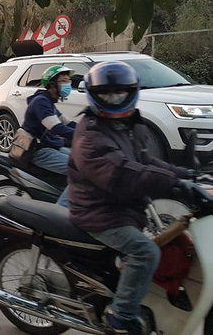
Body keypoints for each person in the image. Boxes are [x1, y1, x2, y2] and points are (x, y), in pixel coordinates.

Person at [68, 61, 192, 334]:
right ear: (94, 94)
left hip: (124, 207)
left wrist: (186, 175)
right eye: (107, 94)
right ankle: (120, 315)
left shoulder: (129, 124)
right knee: (146, 251)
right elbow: (123, 176)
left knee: (177, 236)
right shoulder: (90, 133)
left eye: (120, 93)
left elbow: (145, 162)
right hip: (99, 212)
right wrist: (174, 184)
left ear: (132, 92)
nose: (115, 99)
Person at [21, 65, 76, 206]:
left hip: (48, 145)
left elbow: (68, 123)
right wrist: (83, 136)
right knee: (79, 170)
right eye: (63, 81)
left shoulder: (49, 102)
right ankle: (60, 212)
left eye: (68, 81)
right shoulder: (41, 102)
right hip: (38, 150)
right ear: (52, 84)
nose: (68, 85)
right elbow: (57, 128)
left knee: (81, 159)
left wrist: (91, 129)